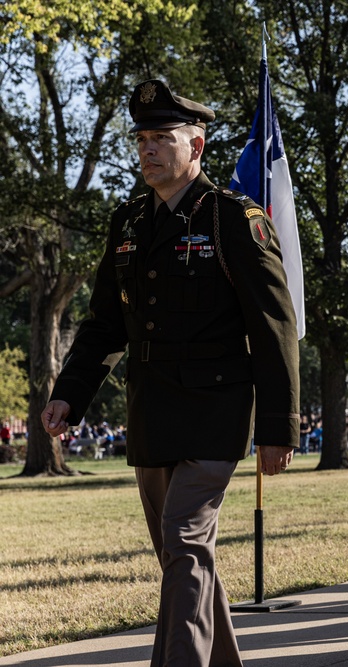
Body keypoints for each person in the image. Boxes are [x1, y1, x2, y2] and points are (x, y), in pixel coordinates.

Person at [40, 79, 300, 667]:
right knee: (183, 556)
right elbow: (106, 324)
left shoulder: (235, 218)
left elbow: (273, 325)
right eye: (142, 138)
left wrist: (279, 426)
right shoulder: (129, 223)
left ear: (197, 146)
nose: (148, 148)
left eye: (162, 137)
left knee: (184, 541)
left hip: (216, 411)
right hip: (153, 414)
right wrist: (70, 396)